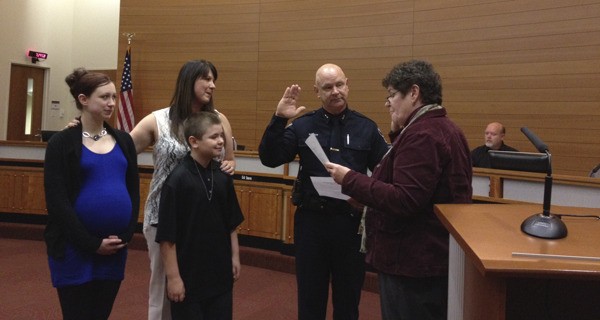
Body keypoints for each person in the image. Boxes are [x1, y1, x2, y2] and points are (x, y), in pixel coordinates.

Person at [325, 60, 473, 320]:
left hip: (413, 264)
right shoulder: (444, 128)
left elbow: (405, 199)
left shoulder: (423, 135)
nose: (387, 103)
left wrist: (349, 179)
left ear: (414, 93)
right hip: (432, 259)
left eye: (392, 95)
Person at [259, 63, 389, 320]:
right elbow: (270, 158)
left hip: (350, 224)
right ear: (317, 91)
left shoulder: (366, 127)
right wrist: (279, 118)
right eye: (327, 87)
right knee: (310, 298)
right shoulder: (303, 125)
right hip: (312, 224)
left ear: (347, 84)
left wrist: (367, 198)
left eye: (340, 85)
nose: (335, 92)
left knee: (348, 300)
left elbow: (386, 173)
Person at [129, 60, 236, 320]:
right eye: (206, 79)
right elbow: (120, 150)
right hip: (163, 218)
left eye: (214, 79)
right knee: (164, 287)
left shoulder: (218, 119)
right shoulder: (158, 119)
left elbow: (229, 162)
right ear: (189, 81)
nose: (212, 85)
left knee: (202, 290)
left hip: (205, 220)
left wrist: (229, 165)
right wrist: (87, 134)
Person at [43, 68, 140, 320]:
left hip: (114, 248)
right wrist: (91, 244)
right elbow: (57, 202)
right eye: (104, 97)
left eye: (114, 97)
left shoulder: (123, 141)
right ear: (84, 100)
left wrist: (127, 234)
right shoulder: (61, 144)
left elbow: (133, 189)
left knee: (100, 315)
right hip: (75, 248)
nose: (111, 103)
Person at [155, 111, 244, 320]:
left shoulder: (222, 177)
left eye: (221, 135)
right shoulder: (177, 181)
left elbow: (231, 223)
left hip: (219, 274)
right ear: (193, 141)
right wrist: (173, 277)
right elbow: (167, 236)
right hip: (189, 276)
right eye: (214, 137)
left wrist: (235, 256)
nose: (221, 141)